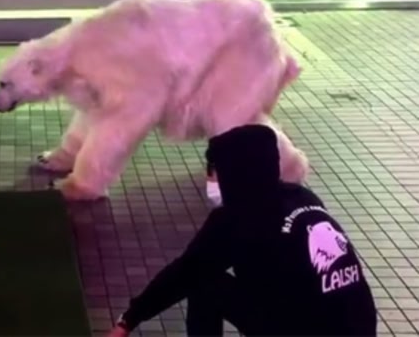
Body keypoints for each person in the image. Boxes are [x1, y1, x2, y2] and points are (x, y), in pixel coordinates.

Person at [108, 124, 378, 336]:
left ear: (234, 173)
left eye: (213, 171)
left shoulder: (236, 218)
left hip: (305, 329)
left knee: (203, 283)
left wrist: (128, 320)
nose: (210, 179)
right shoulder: (302, 196)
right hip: (360, 328)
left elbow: (184, 273)